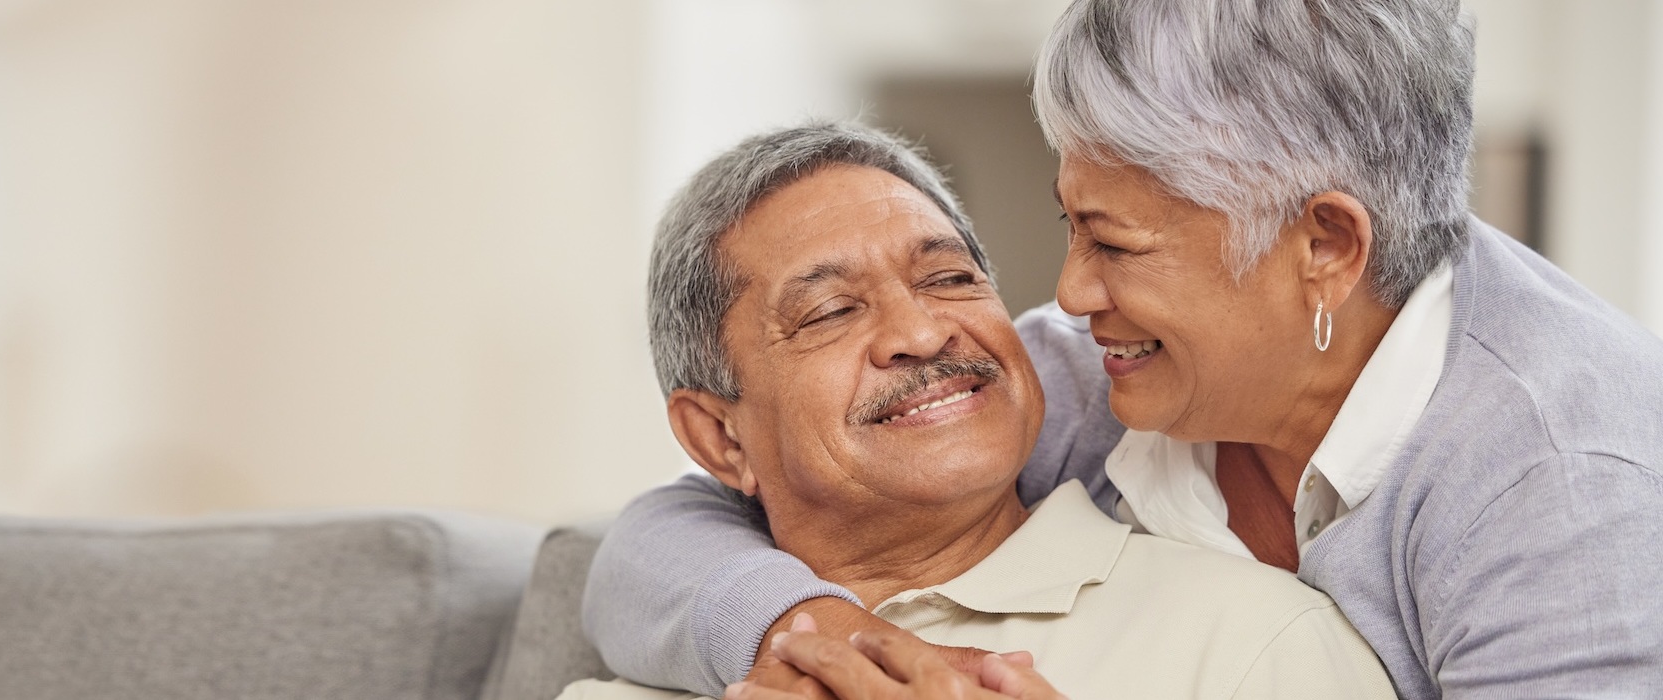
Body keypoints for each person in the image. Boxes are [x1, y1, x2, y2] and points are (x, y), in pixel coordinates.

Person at [583, 1, 1663, 699]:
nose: (1066, 294)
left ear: (1325, 243)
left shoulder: (1567, 486)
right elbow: (675, 522)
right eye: (1069, 225)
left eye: (1114, 242)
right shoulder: (1089, 381)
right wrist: (799, 623)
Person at [565, 122, 1392, 700]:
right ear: (719, 437)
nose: (923, 332)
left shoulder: (1255, 642)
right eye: (830, 312)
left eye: (949, 278)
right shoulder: (634, 684)